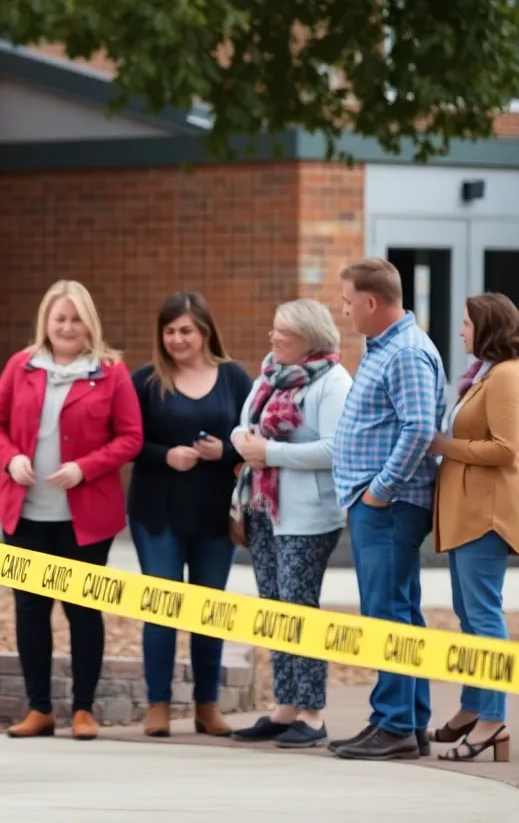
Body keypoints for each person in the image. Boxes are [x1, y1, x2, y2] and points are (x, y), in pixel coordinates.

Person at [0, 279, 142, 742]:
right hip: (25, 512)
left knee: (82, 610)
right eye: (60, 319)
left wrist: (85, 468)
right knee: (30, 610)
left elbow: (130, 437)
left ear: (89, 323)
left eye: (75, 319)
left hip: (85, 518)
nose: (68, 327)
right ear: (46, 323)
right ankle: (39, 709)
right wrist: (10, 457)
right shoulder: (21, 365)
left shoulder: (110, 371)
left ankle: (84, 710)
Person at [329, 257, 447, 761]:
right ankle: (408, 721)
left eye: (348, 302)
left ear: (372, 302)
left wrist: (380, 489)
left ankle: (394, 723)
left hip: (389, 508)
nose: (345, 310)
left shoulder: (405, 353)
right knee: (399, 612)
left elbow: (419, 428)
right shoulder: (387, 348)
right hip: (379, 506)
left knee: (386, 617)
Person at [227, 299, 352, 749]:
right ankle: (283, 706)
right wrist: (241, 440)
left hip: (308, 515)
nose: (272, 338)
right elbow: (244, 426)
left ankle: (311, 713)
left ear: (309, 339)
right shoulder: (268, 373)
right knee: (272, 607)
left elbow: (336, 449)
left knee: (300, 607)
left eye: (283, 333)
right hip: (263, 509)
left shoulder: (333, 382)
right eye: (274, 329)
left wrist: (270, 453)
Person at [127, 291, 252, 739]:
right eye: (169, 331)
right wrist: (165, 456)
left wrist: (226, 451)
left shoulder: (235, 377)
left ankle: (206, 704)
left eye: (186, 331)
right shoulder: (145, 381)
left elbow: (255, 434)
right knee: (161, 606)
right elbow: (127, 442)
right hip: (156, 511)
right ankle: (158, 703)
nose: (177, 339)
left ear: (204, 332)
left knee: (208, 609)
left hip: (215, 513)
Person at [426, 293, 519, 763]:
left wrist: (444, 445)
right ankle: (474, 708)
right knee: (470, 615)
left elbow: (503, 449)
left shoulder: (508, 376)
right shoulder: (488, 374)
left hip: (487, 514)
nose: (461, 332)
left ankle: (493, 720)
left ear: (488, 327)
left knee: (484, 617)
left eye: (467, 324)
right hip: (469, 510)